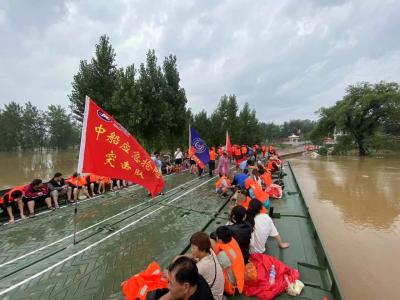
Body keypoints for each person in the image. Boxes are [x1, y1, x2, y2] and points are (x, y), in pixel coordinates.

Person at [189, 232, 224, 300]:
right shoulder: (210, 251)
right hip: (219, 293)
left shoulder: (201, 267)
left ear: (202, 249)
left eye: (193, 248)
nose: (191, 250)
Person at [212, 226, 245, 295]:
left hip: (233, 283)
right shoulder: (232, 240)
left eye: (217, 236)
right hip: (240, 275)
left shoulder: (222, 255)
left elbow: (215, 268)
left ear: (220, 240)